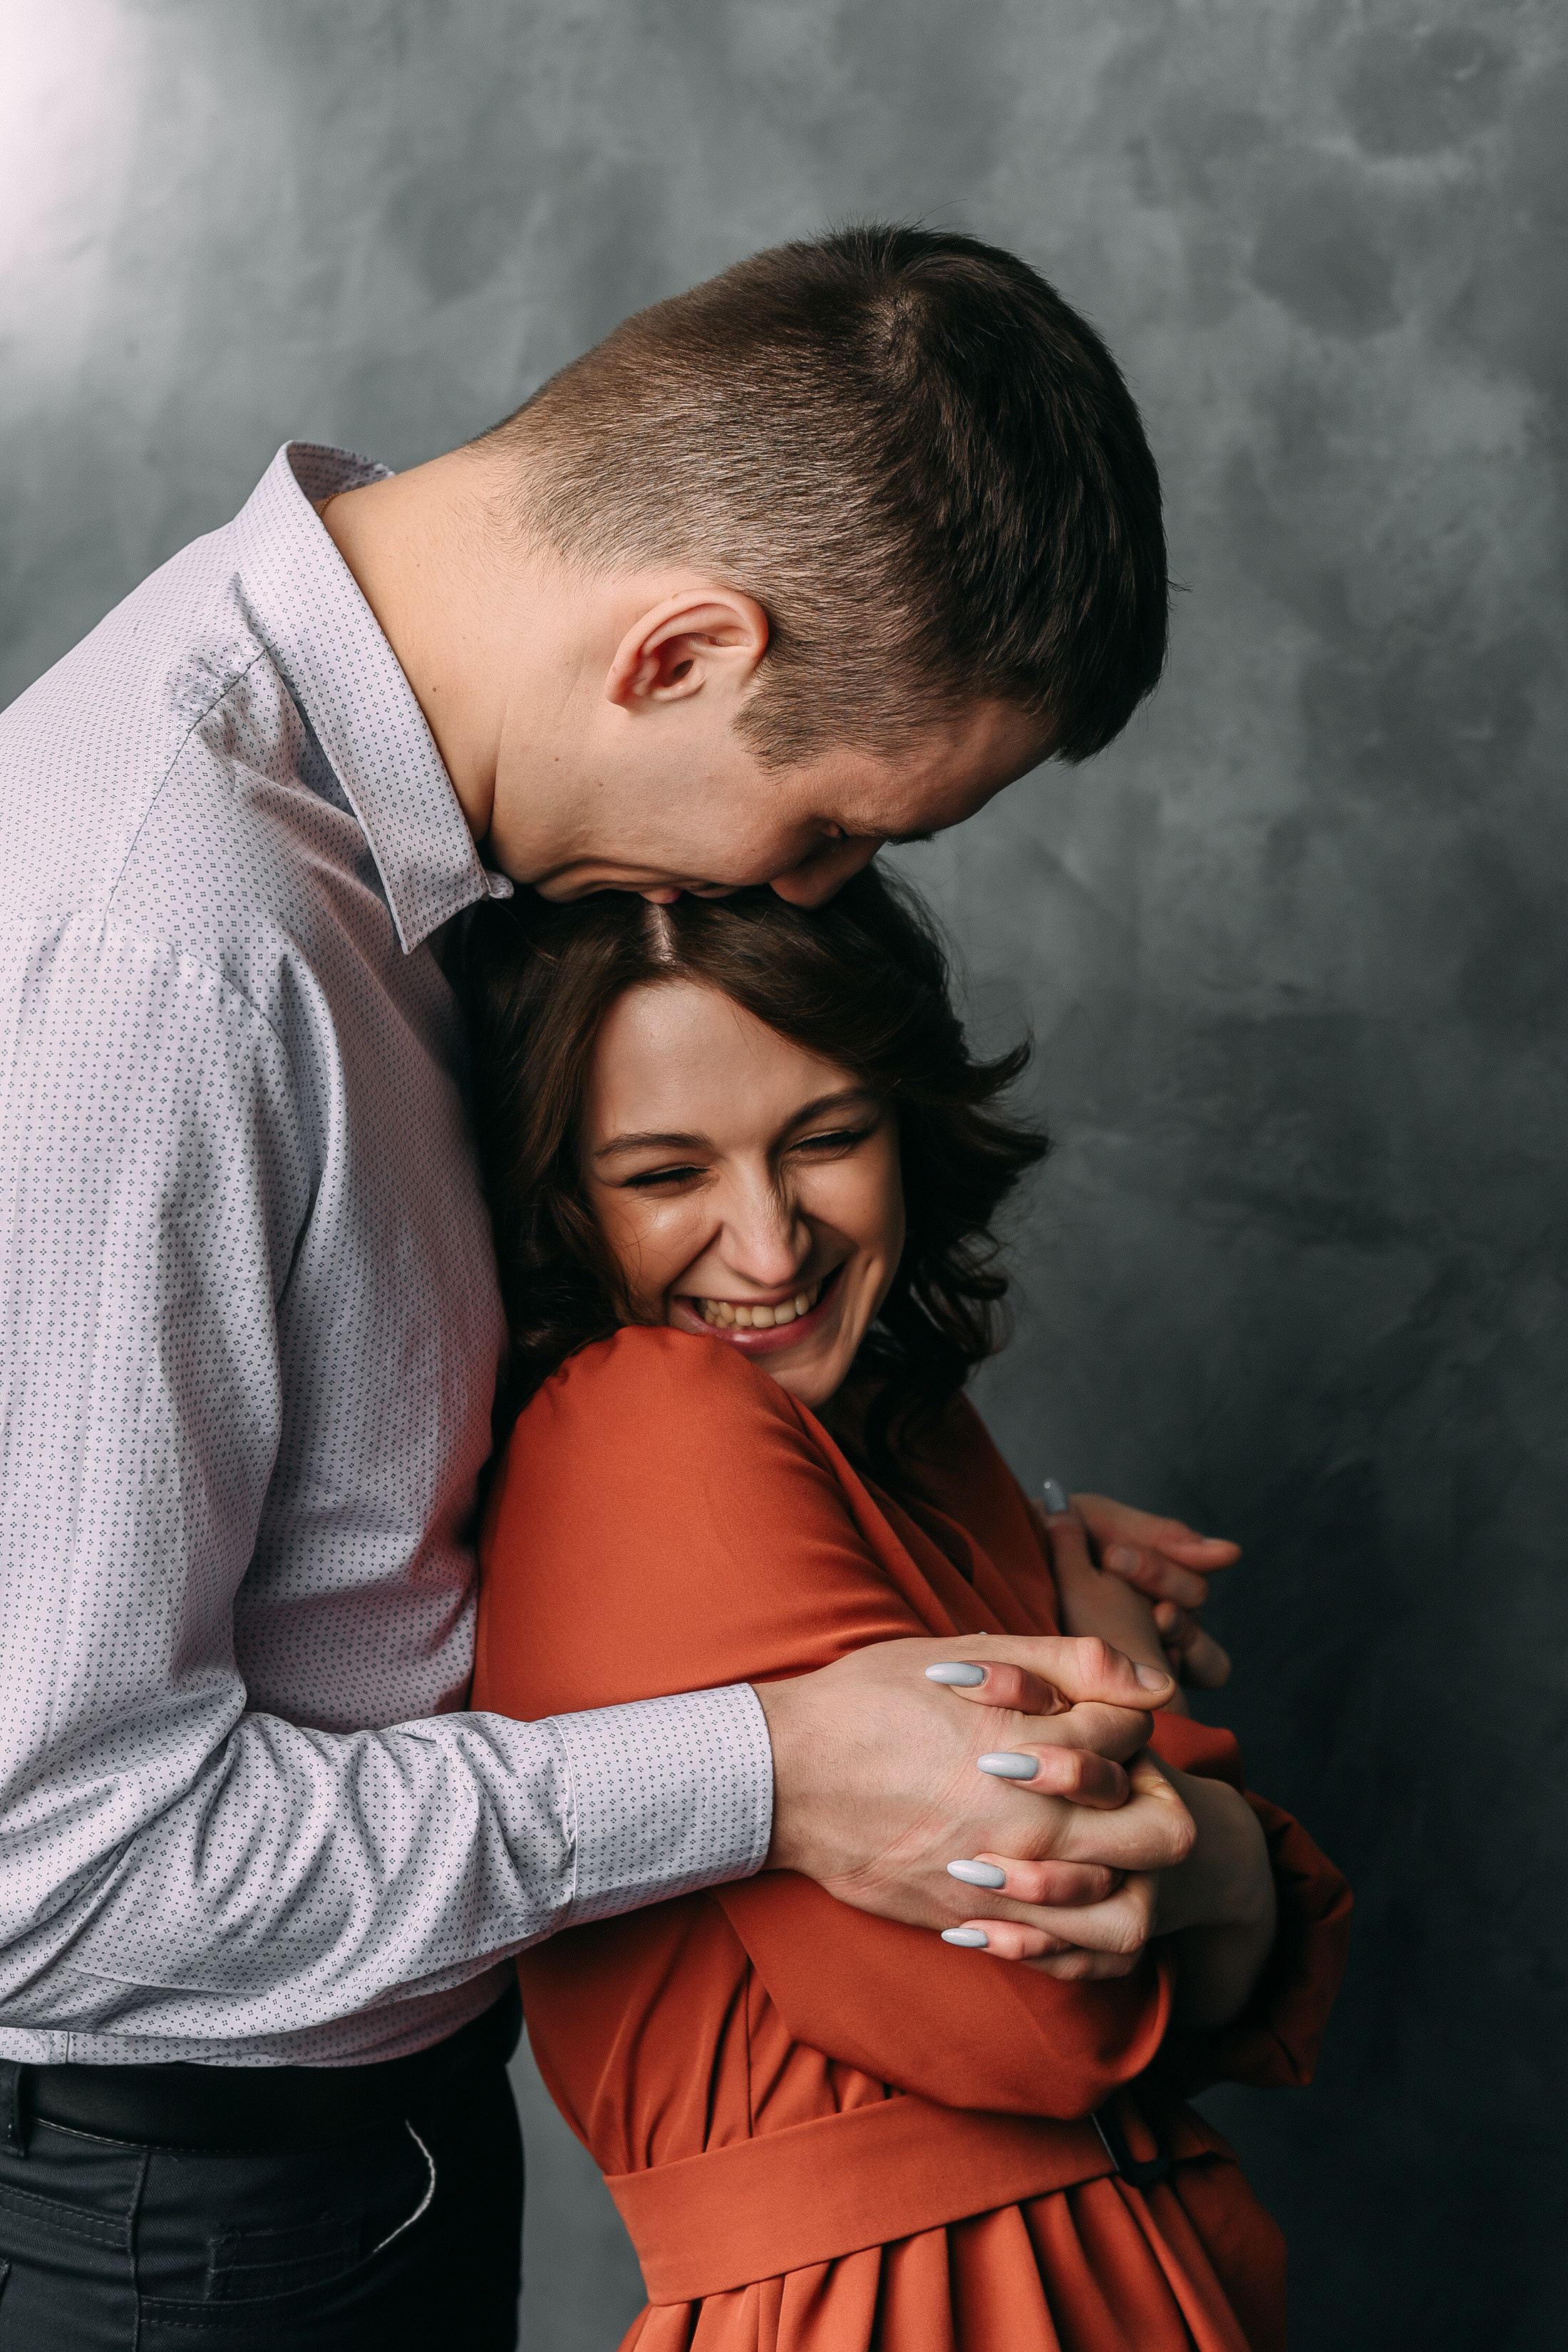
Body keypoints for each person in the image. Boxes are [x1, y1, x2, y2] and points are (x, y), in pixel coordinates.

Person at [0, 227, 1232, 2345]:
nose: (799, 900)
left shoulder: (405, 794)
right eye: (833, 828)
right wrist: (770, 1767)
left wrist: (954, 1568)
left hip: (377, 2148)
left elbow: (401, 1509)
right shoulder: (169, 951)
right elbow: (55, 1871)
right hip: (182, 2219)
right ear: (673, 655)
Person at [466, 873, 1351, 2351]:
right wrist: (1142, 1711)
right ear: (560, 1194)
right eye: (664, 1175)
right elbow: (1040, 2017)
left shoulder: (914, 1428)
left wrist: (1167, 1841)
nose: (767, 1248)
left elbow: (1226, 1971)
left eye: (825, 1139)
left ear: (906, 1120)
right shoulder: (642, 1420)